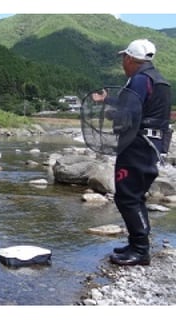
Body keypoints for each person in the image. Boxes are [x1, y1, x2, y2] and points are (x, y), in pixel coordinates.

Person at [92, 39, 172, 266]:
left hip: (137, 144)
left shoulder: (139, 79)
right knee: (135, 195)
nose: (122, 63)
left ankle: (140, 250)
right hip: (151, 145)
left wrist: (110, 114)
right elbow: (137, 106)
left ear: (129, 58)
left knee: (127, 197)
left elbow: (129, 114)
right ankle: (136, 244)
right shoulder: (156, 79)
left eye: (123, 58)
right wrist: (109, 99)